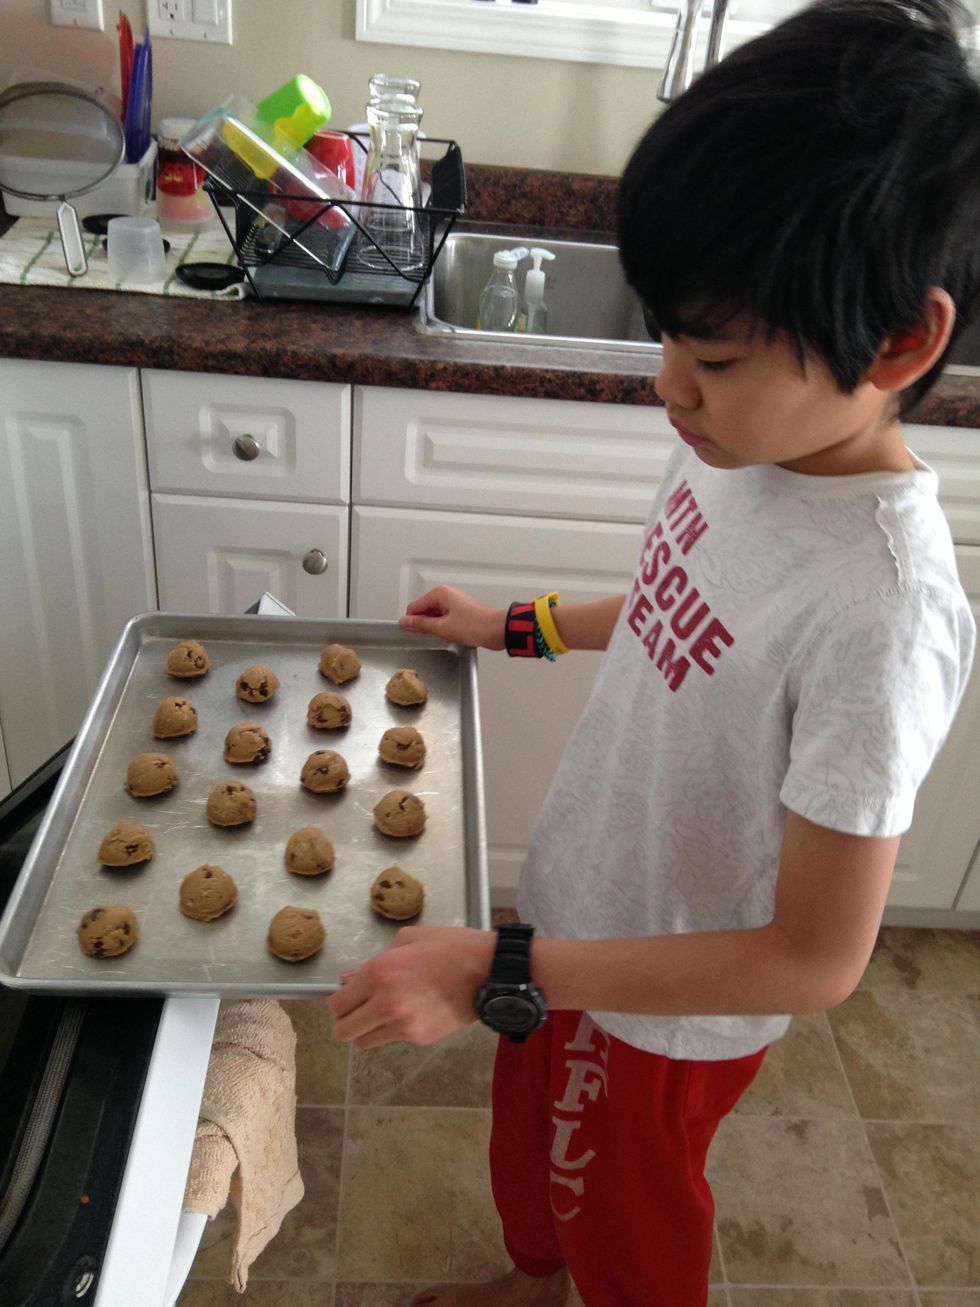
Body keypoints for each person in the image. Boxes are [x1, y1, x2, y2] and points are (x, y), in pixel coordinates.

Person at [328, 1, 980, 1302]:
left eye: (716, 354)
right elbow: (682, 605)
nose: (670, 386)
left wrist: (506, 969)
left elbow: (816, 957)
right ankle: (536, 1278)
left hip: (659, 1009)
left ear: (901, 341)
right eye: (668, 337)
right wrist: (516, 624)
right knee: (536, 1160)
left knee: (623, 1212)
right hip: (578, 919)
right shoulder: (758, 443)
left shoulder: (886, 611)